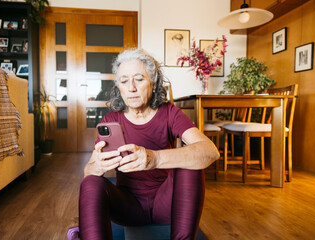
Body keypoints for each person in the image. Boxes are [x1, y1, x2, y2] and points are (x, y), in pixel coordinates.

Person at [77, 49, 219, 240]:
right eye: (124, 81)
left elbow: (210, 151)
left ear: (153, 83)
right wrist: (98, 166)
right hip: (128, 208)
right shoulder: (111, 119)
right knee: (92, 182)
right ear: (119, 87)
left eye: (139, 79)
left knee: (192, 160)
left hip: (168, 205)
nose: (132, 88)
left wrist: (155, 158)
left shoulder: (169, 113)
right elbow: (88, 174)